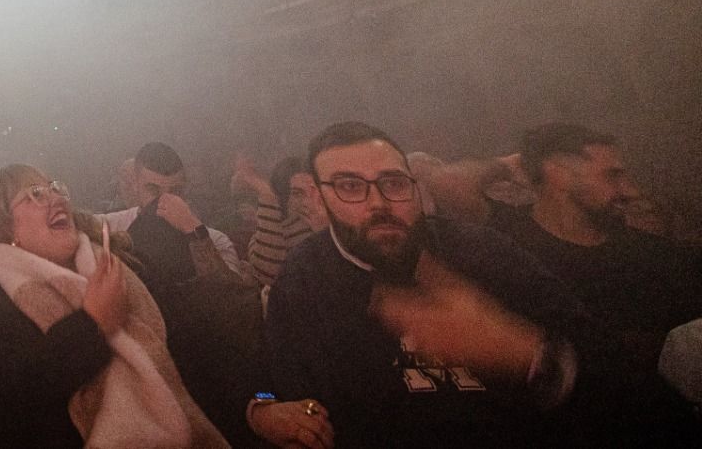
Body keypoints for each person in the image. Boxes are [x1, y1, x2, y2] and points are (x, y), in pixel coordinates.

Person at [265, 121, 698, 449]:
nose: (378, 203)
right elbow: (272, 382)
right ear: (320, 199)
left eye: (394, 184)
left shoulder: (479, 252)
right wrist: (263, 408)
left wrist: (524, 352)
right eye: (350, 187)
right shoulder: (303, 278)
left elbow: (618, 378)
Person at [0, 163, 228, 449]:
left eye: (55, 189)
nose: (58, 198)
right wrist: (93, 323)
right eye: (35, 194)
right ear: (6, 228)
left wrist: (261, 403)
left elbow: (195, 362)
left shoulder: (121, 266)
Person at [489, 122, 702, 366]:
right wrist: (506, 165)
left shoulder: (654, 256)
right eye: (612, 175)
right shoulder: (501, 244)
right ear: (558, 173)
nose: (630, 191)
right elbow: (447, 185)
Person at [100, 142, 252, 283]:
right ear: (136, 186)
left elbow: (230, 297)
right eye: (153, 189)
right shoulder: (110, 227)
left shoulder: (215, 239)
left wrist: (193, 229)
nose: (164, 199)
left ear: (184, 189)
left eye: (174, 190)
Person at [233, 154, 326, 287]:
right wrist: (267, 195)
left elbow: (271, 274)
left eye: (314, 190)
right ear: (282, 196)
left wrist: (266, 194)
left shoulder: (335, 225)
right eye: (297, 193)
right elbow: (269, 275)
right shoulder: (274, 229)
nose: (308, 200)